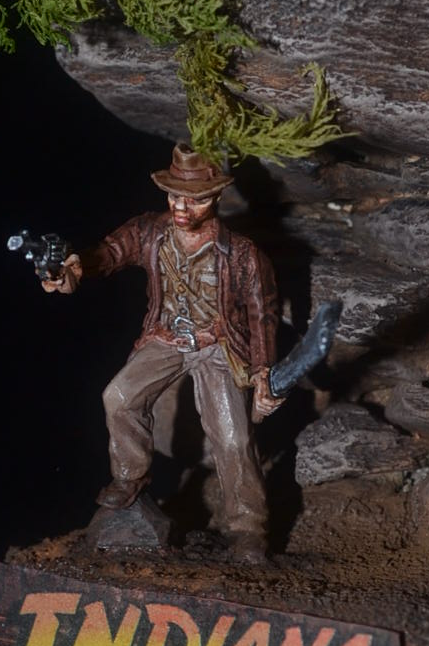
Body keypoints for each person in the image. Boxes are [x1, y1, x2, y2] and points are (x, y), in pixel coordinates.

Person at [43, 145, 282, 558]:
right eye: (175, 196)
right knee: (119, 397)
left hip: (216, 344)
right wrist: (71, 272)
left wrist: (263, 371)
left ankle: (248, 529)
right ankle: (129, 477)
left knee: (233, 436)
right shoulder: (151, 232)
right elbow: (108, 254)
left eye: (195, 199)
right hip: (166, 338)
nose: (182, 207)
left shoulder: (243, 254)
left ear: (216, 197)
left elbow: (263, 313)